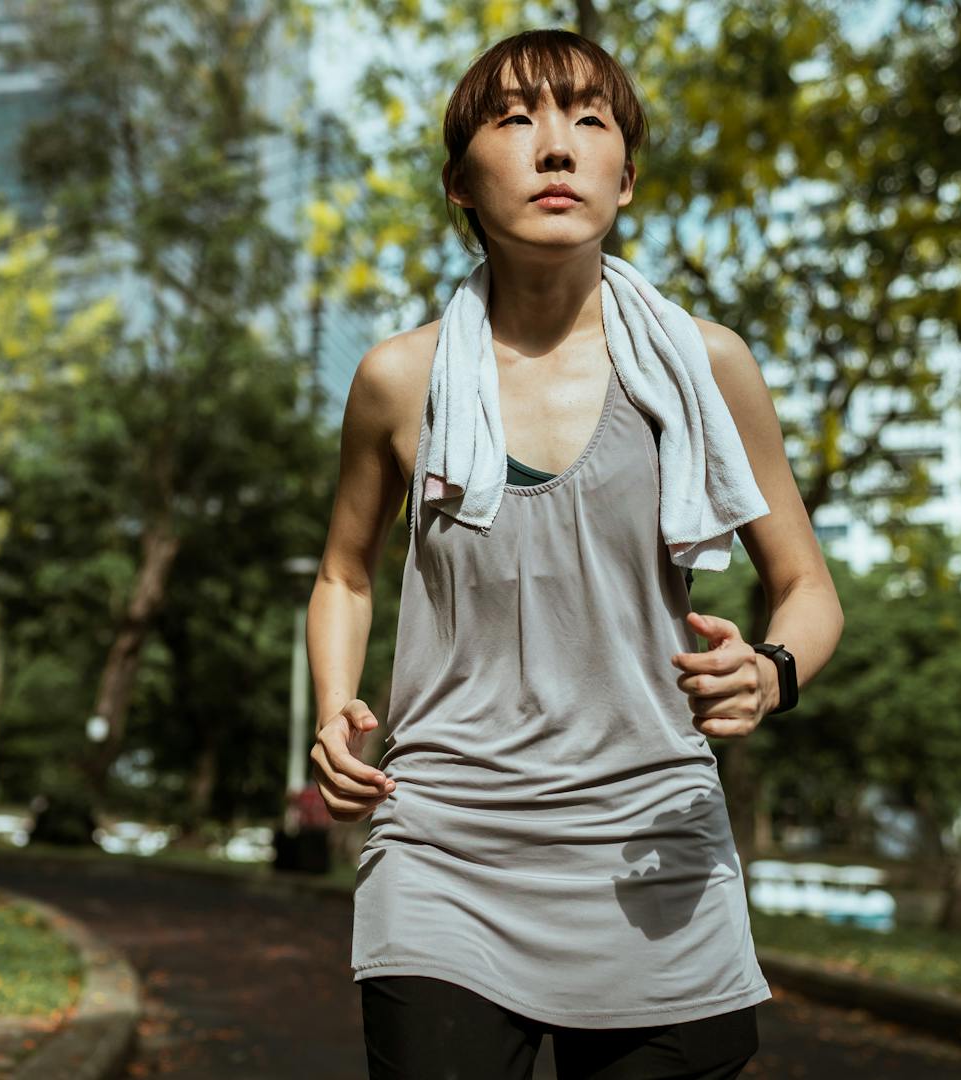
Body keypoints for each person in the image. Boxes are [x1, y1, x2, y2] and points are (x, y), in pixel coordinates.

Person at [305, 28, 845, 1080]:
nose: (556, 148)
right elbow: (344, 573)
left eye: (587, 122)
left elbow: (807, 588)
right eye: (517, 122)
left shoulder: (707, 366)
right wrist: (333, 707)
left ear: (626, 180)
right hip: (448, 846)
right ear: (461, 184)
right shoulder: (398, 380)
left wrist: (772, 674)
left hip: (654, 843)